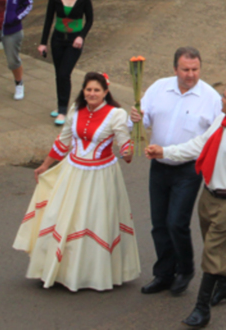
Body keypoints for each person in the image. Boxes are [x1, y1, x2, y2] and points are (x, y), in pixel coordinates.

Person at [145, 82, 226, 328]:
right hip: (209, 197)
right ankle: (225, 285)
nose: (220, 100)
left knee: (213, 252)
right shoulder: (220, 121)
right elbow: (197, 145)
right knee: (216, 248)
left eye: (224, 97)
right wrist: (165, 152)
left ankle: (201, 309)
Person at [14, 72, 139, 291]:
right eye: (88, 89)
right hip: (72, 172)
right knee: (62, 217)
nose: (92, 94)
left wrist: (130, 146)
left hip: (100, 176)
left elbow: (125, 148)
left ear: (106, 93)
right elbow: (63, 142)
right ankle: (61, 270)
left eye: (97, 90)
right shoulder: (75, 110)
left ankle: (90, 274)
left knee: (93, 220)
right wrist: (45, 165)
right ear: (83, 91)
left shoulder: (116, 115)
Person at [131, 47, 223, 297]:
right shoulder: (159, 88)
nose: (191, 75)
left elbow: (214, 138)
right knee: (159, 224)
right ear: (175, 69)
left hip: (188, 169)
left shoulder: (211, 98)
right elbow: (145, 118)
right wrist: (137, 118)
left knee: (176, 223)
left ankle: (185, 268)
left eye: (195, 69)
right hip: (158, 166)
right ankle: (163, 273)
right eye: (185, 69)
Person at [37, 0, 94, 125]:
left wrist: (81, 36)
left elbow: (89, 20)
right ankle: (61, 105)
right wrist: (43, 43)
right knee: (59, 74)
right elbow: (48, 20)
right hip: (58, 40)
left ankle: (63, 111)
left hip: (74, 41)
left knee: (64, 73)